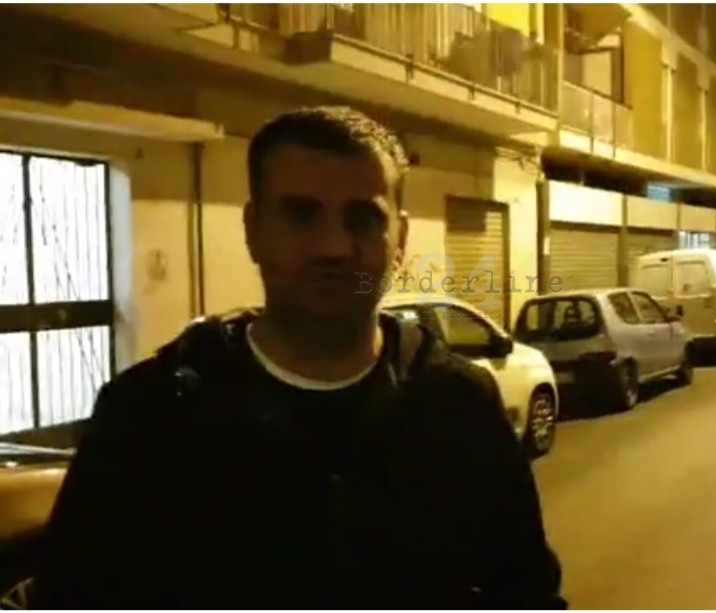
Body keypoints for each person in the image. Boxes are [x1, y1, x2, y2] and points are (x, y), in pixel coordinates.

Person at [32, 107, 566, 609]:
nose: (333, 246)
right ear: (253, 230)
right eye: (301, 214)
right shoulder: (149, 416)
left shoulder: (460, 407)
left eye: (362, 218)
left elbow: (526, 595)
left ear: (400, 239)